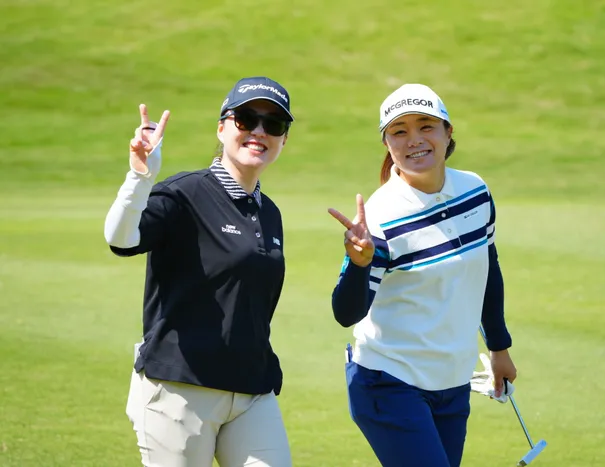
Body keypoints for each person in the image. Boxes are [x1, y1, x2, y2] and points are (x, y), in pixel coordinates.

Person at [103, 76, 295, 467]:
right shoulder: (184, 193)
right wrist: (140, 177)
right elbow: (121, 239)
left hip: (252, 391)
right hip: (180, 389)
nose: (260, 131)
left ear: (283, 139)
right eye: (246, 119)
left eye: (273, 124)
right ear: (222, 128)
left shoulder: (269, 212)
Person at [328, 83, 518, 467]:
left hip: (453, 383)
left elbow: (487, 270)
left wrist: (499, 348)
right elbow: (346, 313)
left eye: (426, 126)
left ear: (448, 133)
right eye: (399, 131)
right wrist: (360, 264)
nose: (414, 139)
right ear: (388, 145)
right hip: (389, 382)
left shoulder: (475, 190)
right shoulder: (380, 216)